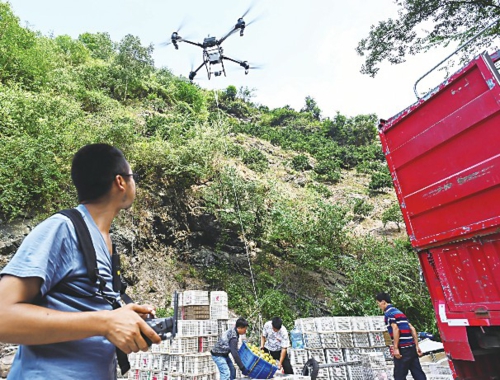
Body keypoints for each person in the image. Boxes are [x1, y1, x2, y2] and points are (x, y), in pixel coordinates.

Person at [0, 144, 162, 379]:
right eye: (132, 176)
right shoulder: (62, 228)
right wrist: (105, 322)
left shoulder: (102, 239)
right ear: (120, 182)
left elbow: (82, 310)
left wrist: (121, 316)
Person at [376, 292, 427, 380]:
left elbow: (396, 329)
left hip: (403, 349)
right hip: (411, 347)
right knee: (418, 373)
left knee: (399, 376)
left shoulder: (389, 314)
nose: (379, 306)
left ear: (383, 302)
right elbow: (412, 329)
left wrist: (396, 348)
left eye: (378, 303)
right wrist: (417, 346)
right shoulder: (399, 312)